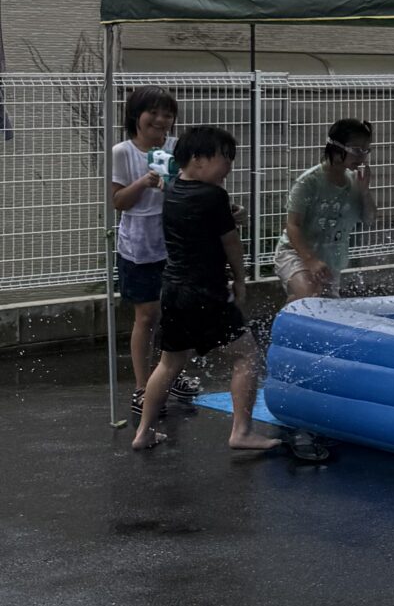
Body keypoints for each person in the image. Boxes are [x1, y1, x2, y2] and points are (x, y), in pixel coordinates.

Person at [132, 126, 277, 454]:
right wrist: (240, 278)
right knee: (246, 355)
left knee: (169, 363)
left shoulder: (173, 190)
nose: (229, 167)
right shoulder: (214, 196)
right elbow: (230, 242)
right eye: (224, 159)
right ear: (197, 159)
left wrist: (229, 214)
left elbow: (209, 221)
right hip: (204, 293)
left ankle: (144, 432)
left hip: (173, 290)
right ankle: (241, 432)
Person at [110, 86, 178, 398]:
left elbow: (190, 191)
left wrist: (171, 187)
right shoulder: (123, 151)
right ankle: (142, 387)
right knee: (147, 315)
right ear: (136, 115)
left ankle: (171, 376)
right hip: (137, 246)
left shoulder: (179, 147)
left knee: (176, 312)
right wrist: (143, 181)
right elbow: (118, 201)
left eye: (168, 114)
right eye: (154, 112)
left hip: (174, 242)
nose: (161, 120)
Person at [273, 119, 376, 300]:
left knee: (323, 308)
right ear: (336, 148)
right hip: (296, 253)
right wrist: (310, 260)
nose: (363, 157)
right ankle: (283, 325)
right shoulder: (309, 182)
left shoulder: (355, 182)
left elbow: (369, 220)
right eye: (357, 150)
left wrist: (365, 193)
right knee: (309, 292)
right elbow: (292, 225)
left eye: (366, 150)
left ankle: (289, 319)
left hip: (329, 259)